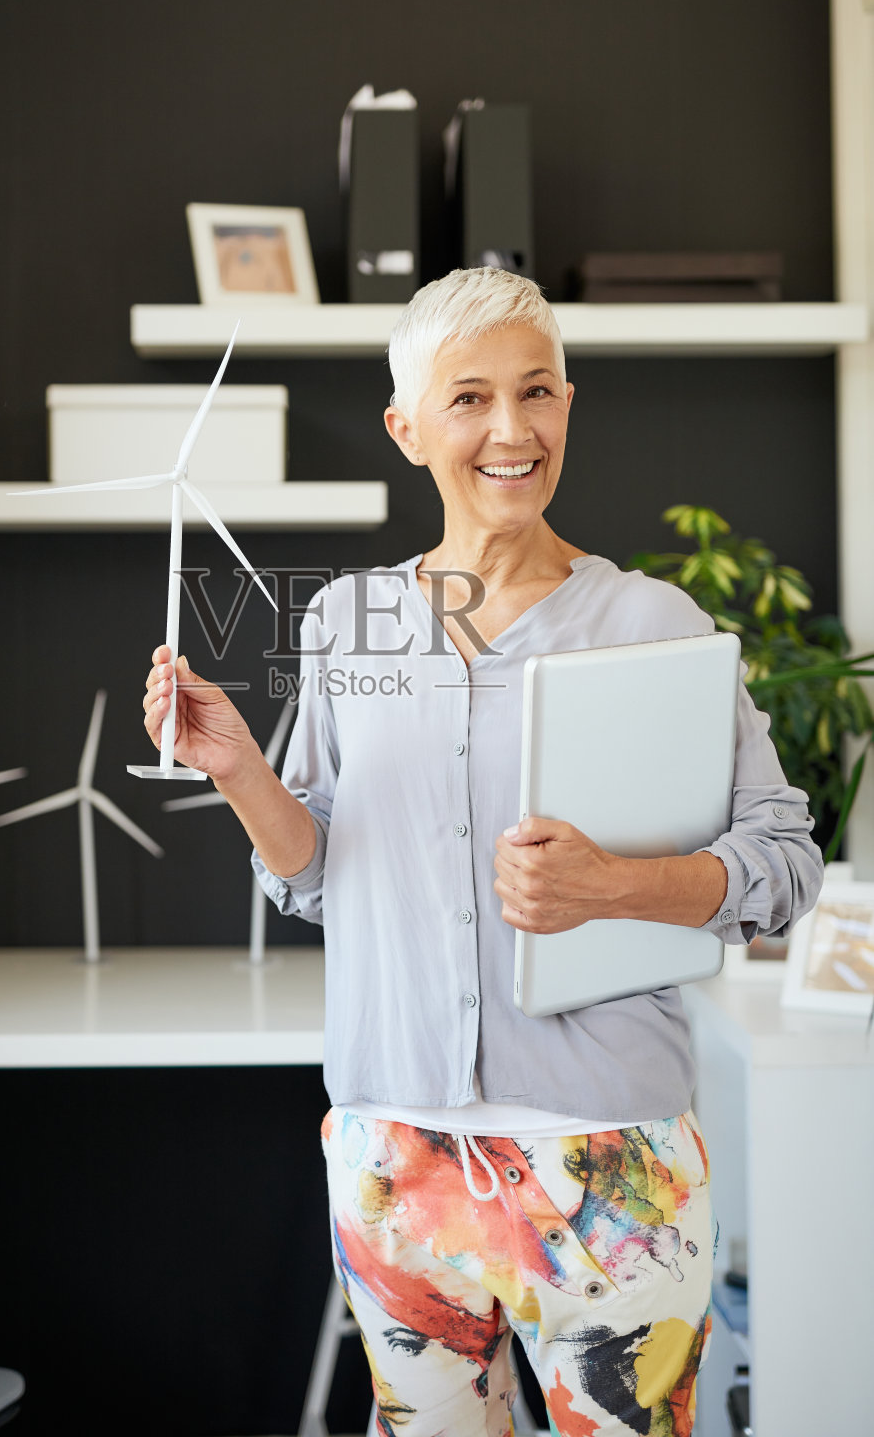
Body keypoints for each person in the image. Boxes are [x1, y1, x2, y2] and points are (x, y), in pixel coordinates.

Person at [142, 267, 822, 1437]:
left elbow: (785, 862)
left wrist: (612, 885)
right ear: (408, 429)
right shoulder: (347, 622)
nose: (511, 431)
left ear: (568, 403)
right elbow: (312, 875)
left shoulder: (656, 622)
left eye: (537, 392)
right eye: (469, 399)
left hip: (615, 1168)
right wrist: (243, 772)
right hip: (398, 1156)